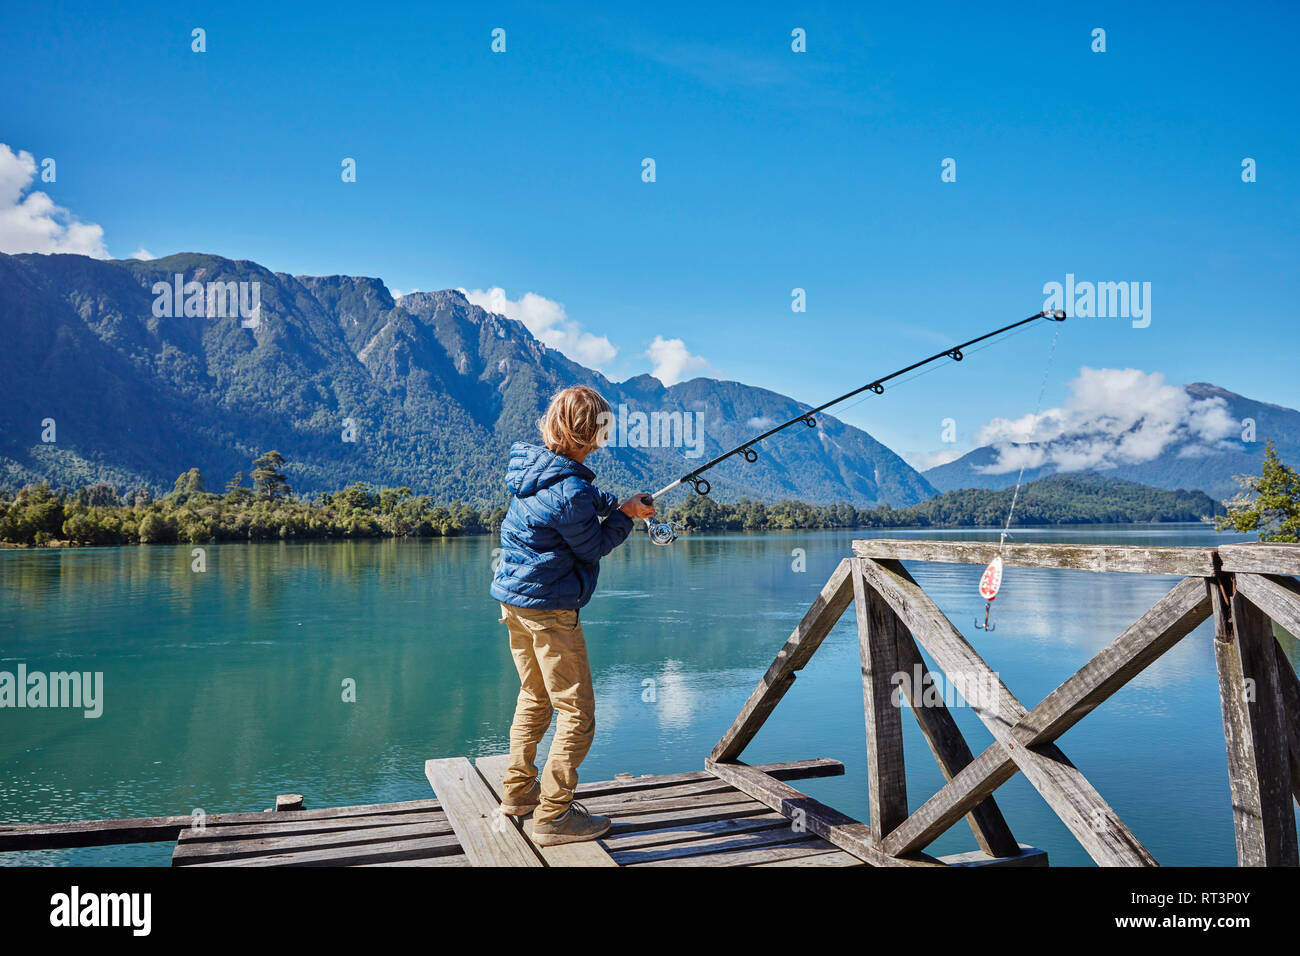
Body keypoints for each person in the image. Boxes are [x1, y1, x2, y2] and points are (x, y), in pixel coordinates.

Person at [489, 385, 655, 845]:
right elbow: (593, 545)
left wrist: (616, 504)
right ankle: (553, 818)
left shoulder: (533, 469)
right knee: (577, 714)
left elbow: (577, 494)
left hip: (515, 602)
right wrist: (624, 516)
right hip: (549, 610)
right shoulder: (569, 490)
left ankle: (518, 794)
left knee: (534, 696)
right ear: (592, 433)